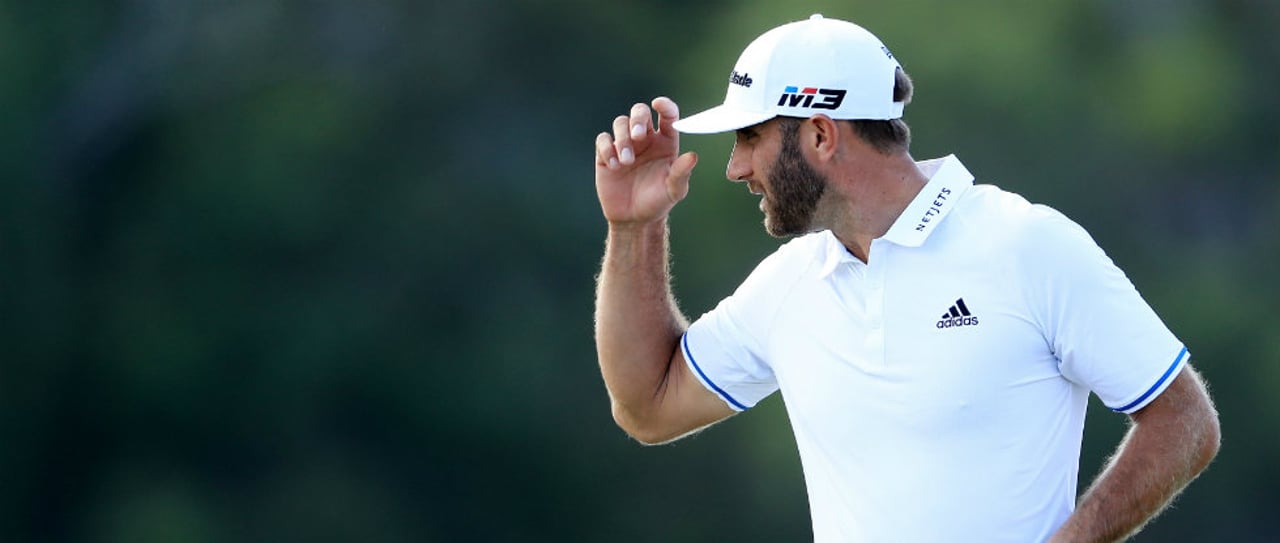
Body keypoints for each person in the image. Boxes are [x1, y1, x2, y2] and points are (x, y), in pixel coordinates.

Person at [591, 13, 1220, 543]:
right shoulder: (787, 284)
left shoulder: (1028, 245)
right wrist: (634, 226)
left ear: (820, 134)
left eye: (751, 137)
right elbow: (648, 406)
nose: (735, 167)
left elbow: (1185, 423)